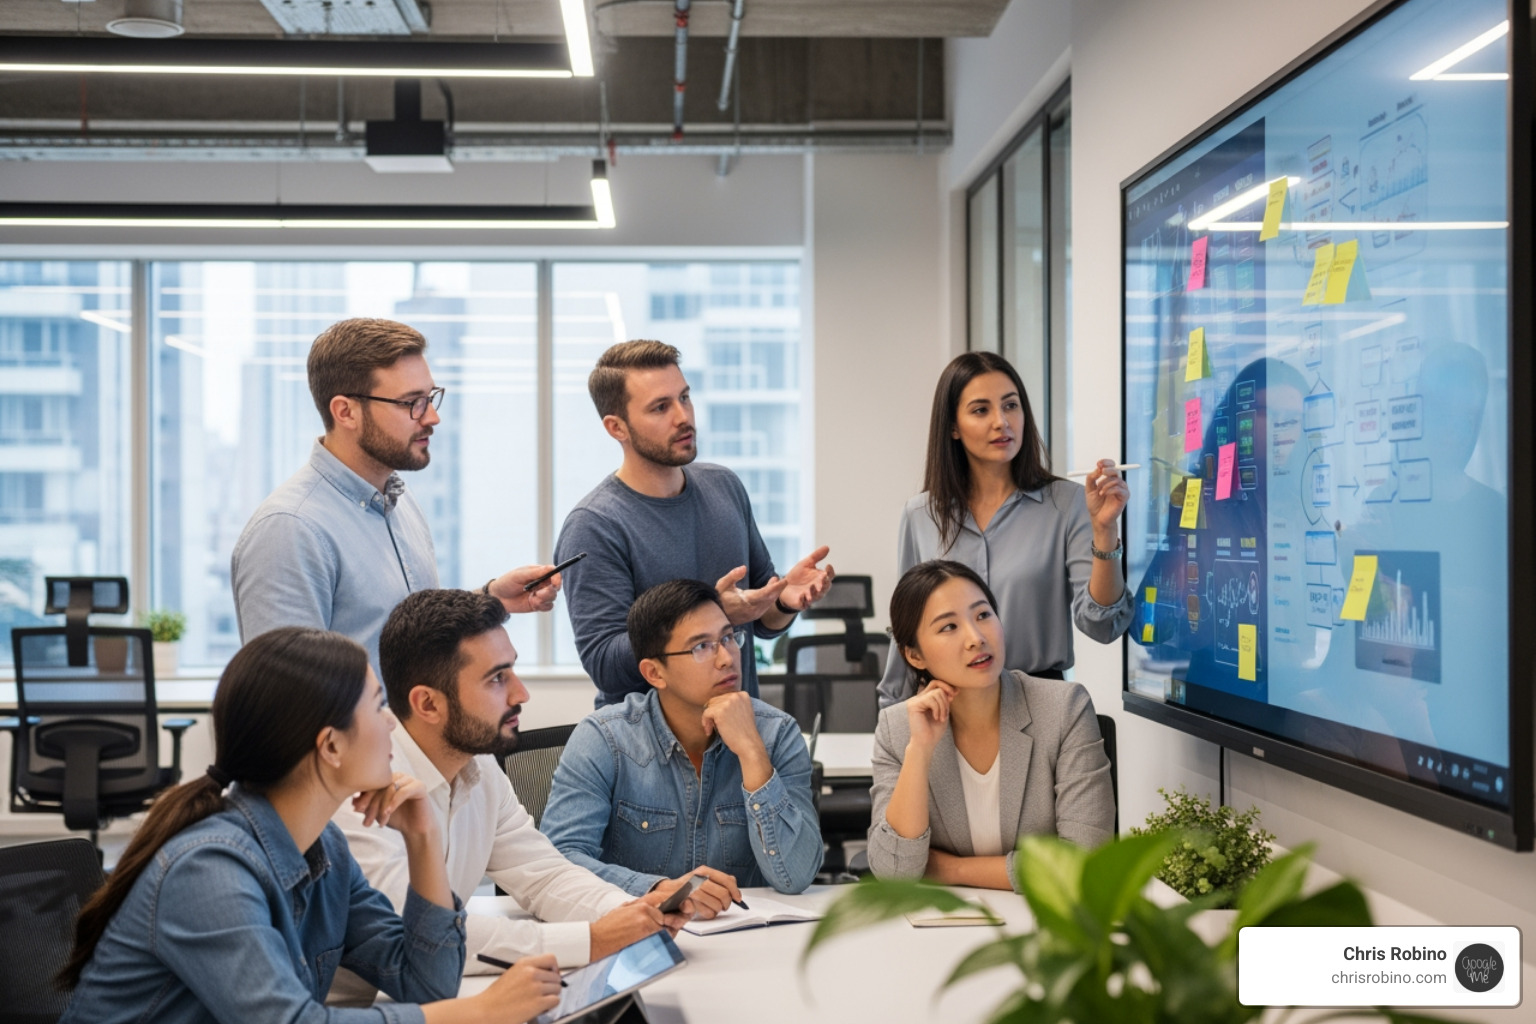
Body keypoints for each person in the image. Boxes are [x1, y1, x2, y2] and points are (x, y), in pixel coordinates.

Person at [57, 627, 562, 1024]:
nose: (391, 723)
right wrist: (480, 1013)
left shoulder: (325, 850)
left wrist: (424, 838)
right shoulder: (208, 870)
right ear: (331, 746)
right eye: (377, 704)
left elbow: (428, 985)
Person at [329, 588, 693, 1005]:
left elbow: (543, 874)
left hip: (425, 1000)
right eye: (497, 678)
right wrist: (590, 940)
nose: (521, 694)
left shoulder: (478, 766)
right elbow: (413, 934)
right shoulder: (365, 786)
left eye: (513, 671)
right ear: (427, 703)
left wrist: (630, 913)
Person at [232, 317, 561, 678]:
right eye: (411, 403)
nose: (432, 417)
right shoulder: (289, 530)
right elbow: (288, 701)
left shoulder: (400, 502)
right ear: (345, 412)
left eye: (431, 398)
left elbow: (404, 635)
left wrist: (491, 598)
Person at [554, 339, 834, 707]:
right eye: (660, 407)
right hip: (647, 752)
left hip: (737, 737)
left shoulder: (725, 486)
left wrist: (783, 602)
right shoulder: (595, 525)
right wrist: (711, 617)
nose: (683, 417)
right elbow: (606, 663)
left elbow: (760, 623)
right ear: (616, 427)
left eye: (684, 398)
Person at [876, 351, 1135, 708]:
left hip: (1042, 707)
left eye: (1011, 405)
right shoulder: (921, 514)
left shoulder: (1067, 503)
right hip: (947, 715)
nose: (1002, 421)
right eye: (981, 410)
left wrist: (1105, 532)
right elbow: (907, 632)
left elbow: (1103, 625)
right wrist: (894, 716)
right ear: (953, 426)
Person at [540, 578, 822, 900]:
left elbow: (796, 876)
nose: (727, 658)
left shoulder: (777, 734)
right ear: (654, 673)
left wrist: (752, 753)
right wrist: (659, 890)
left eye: (728, 638)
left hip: (746, 939)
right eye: (702, 647)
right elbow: (559, 861)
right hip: (639, 939)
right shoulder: (605, 739)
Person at [868, 561, 1115, 890]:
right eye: (948, 627)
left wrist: (949, 870)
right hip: (940, 929)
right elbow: (894, 873)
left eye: (983, 615)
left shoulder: (1063, 709)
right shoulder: (897, 729)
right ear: (914, 656)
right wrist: (920, 751)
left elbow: (1086, 864)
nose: (976, 638)